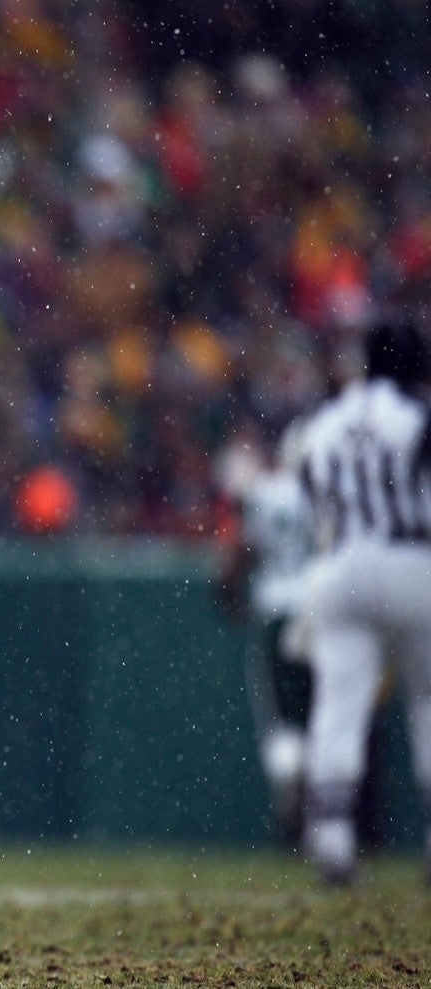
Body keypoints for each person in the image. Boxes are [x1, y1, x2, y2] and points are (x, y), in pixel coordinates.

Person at [291, 317, 431, 885]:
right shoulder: (418, 419)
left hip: (339, 564)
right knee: (428, 702)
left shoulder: (323, 422)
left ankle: (332, 839)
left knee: (338, 704)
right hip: (412, 560)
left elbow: (310, 499)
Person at [215, 425, 317, 846]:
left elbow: (240, 549)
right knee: (324, 713)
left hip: (276, 609)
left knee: (282, 718)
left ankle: (292, 788)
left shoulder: (264, 491)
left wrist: (229, 593)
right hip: (320, 611)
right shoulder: (328, 492)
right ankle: (330, 815)